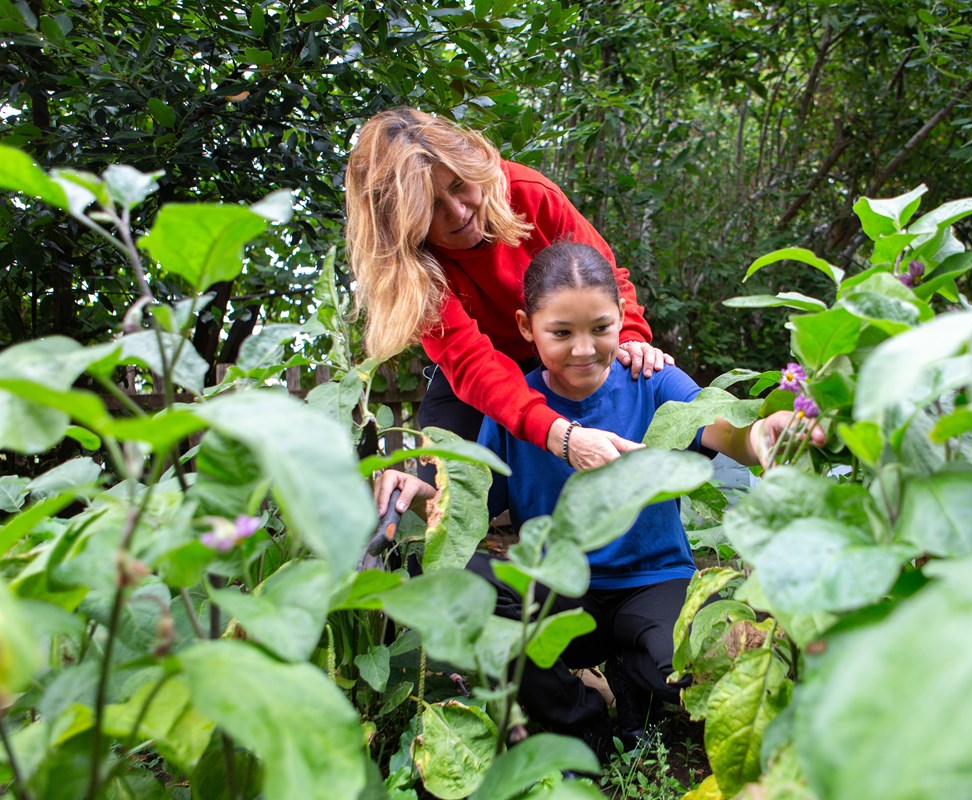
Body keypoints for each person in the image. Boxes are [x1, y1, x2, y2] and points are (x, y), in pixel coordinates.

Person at [374, 241, 825, 758]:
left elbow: (724, 432)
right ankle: (579, 720)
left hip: (653, 582)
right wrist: (421, 488)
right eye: (561, 333)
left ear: (622, 321)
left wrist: (761, 431)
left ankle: (636, 688)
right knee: (462, 582)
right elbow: (472, 499)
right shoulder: (515, 408)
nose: (583, 349)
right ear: (527, 327)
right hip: (561, 591)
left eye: (600, 329)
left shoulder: (652, 381)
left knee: (690, 673)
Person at [344, 107, 672, 472]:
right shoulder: (409, 270)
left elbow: (605, 277)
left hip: (565, 342)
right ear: (400, 222)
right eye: (431, 206)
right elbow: (472, 363)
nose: (458, 212)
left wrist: (630, 337)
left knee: (640, 390)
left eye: (458, 185)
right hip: (486, 364)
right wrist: (561, 436)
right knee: (446, 477)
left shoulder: (528, 193)